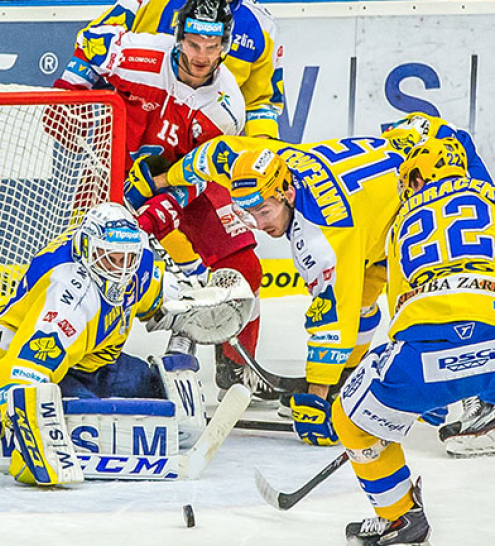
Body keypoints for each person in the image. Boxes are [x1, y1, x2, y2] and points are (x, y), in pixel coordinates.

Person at [141, 113, 490, 445]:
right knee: (364, 296)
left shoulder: (321, 237)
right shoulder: (260, 163)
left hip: (431, 171)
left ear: (288, 194)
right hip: (398, 168)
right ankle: (351, 380)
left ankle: (481, 395)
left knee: (439, 292)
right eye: (249, 213)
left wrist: (316, 399)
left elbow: (332, 321)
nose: (259, 225)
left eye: (264, 212)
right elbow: (215, 153)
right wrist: (161, 180)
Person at [52, 0, 268, 399]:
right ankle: (64, 358)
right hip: (111, 168)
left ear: (224, 45)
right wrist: (70, 98)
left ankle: (235, 369)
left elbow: (198, 176)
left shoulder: (227, 108)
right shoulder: (137, 53)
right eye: (193, 43)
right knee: (79, 265)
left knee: (244, 266)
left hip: (178, 176)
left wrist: (153, 213)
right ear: (179, 36)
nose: (201, 56)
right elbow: (90, 42)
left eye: (212, 45)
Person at [0, 202, 254, 485]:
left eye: (128, 259)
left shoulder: (137, 261)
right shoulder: (69, 294)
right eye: (111, 258)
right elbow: (24, 372)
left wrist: (198, 304)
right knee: (91, 417)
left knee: (156, 390)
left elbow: (160, 301)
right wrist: (31, 439)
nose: (121, 269)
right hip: (11, 357)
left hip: (86, 358)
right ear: (87, 250)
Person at [331, 138, 495, 545]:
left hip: (427, 350)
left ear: (420, 177)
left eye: (408, 180)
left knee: (350, 421)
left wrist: (429, 396)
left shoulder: (404, 218)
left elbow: (402, 312)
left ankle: (399, 517)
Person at [55, 0, 284, 139]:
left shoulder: (262, 27)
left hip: (196, 149)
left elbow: (260, 104)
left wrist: (259, 154)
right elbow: (96, 41)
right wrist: (71, 94)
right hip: (125, 136)